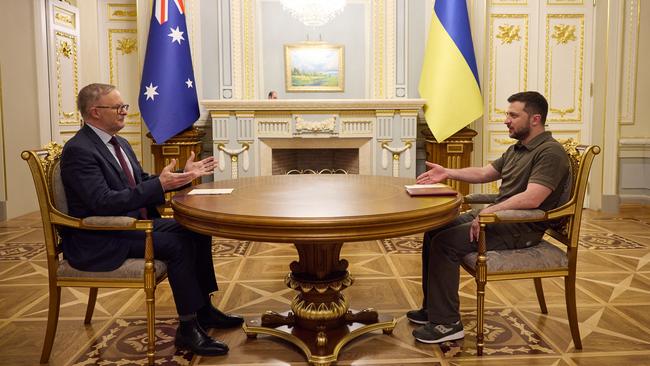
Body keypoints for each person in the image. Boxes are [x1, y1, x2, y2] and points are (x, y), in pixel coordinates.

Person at [60, 83, 243, 356]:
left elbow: (140, 181)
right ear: (95, 112)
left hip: (130, 223)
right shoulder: (79, 150)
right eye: (118, 107)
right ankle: (188, 328)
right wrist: (160, 185)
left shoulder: (118, 142)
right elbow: (103, 202)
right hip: (102, 235)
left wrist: (182, 175)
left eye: (124, 107)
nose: (124, 112)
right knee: (177, 245)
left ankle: (204, 310)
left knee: (197, 228)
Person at [407, 91, 570, 344]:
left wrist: (490, 211)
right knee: (434, 230)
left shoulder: (550, 153)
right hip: (500, 219)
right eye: (508, 114)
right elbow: (485, 172)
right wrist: (447, 172)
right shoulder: (518, 148)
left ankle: (447, 324)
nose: (506, 120)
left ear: (535, 119)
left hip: (518, 228)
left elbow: (533, 198)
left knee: (444, 243)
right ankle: (433, 309)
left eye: (513, 115)